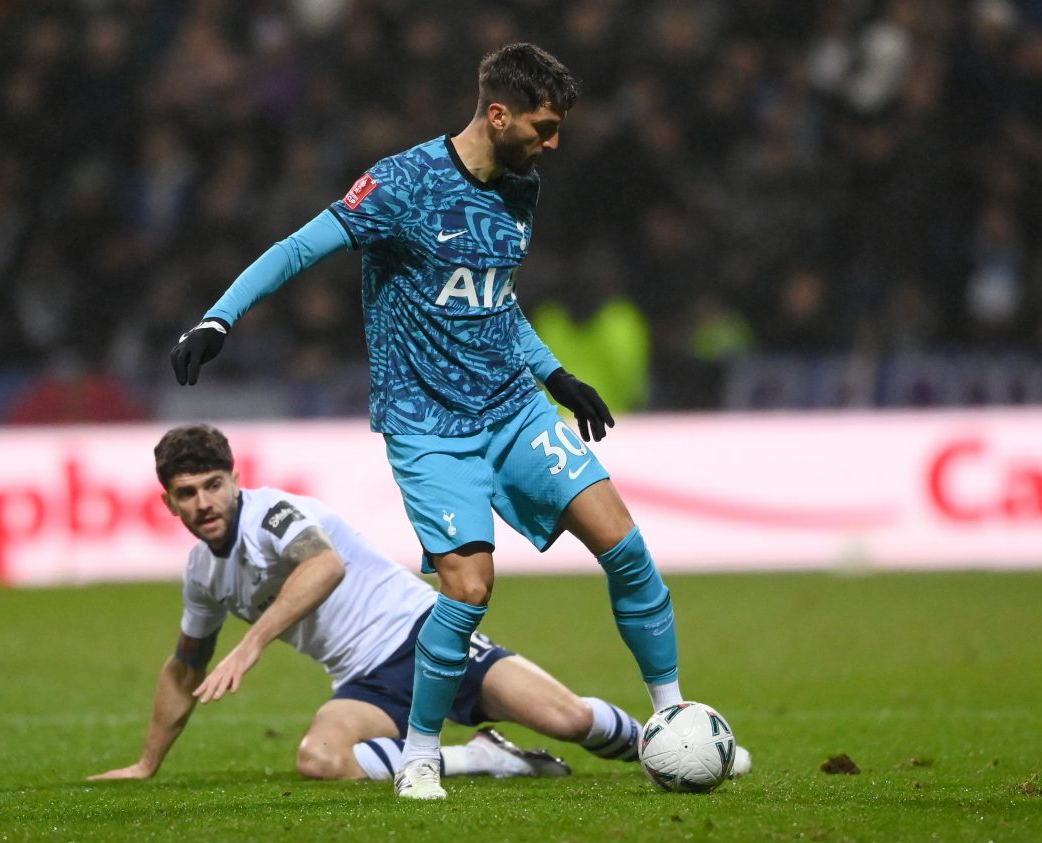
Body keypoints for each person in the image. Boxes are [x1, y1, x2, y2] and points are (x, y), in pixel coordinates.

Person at [169, 43, 714, 799]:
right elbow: (300, 248)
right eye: (544, 125)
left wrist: (554, 373)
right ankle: (423, 752)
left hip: (514, 409)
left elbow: (495, 297)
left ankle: (672, 718)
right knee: (466, 589)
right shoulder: (400, 185)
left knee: (623, 544)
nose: (554, 143)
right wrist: (219, 319)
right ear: (498, 114)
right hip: (428, 425)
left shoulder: (521, 186)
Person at [88, 424, 669, 786]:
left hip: (427, 636)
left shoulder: (274, 515)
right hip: (366, 681)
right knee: (319, 758)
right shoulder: (202, 573)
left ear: (236, 480)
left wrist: (250, 645)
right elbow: (185, 667)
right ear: (168, 503)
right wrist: (147, 763)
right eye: (187, 493)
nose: (204, 502)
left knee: (565, 719)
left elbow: (323, 565)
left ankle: (669, 740)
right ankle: (483, 759)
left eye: (213, 484)